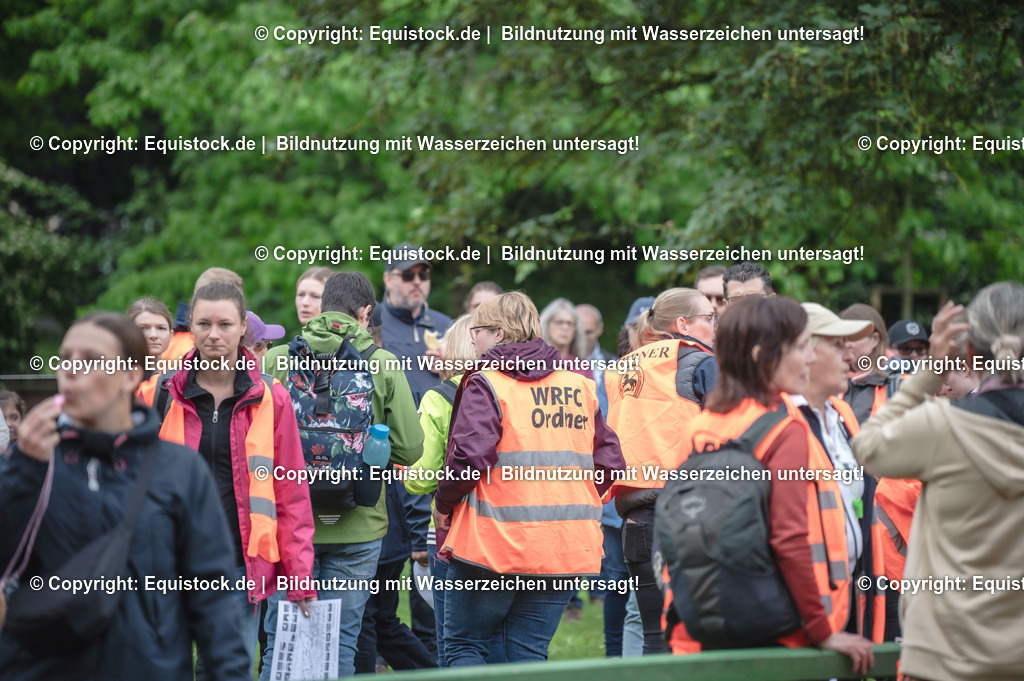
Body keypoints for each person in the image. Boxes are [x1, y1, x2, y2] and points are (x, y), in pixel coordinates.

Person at [0, 312, 250, 680]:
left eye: (90, 361)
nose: (71, 371)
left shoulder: (178, 470)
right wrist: (22, 468)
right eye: (65, 360)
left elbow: (212, 598)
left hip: (147, 667)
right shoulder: (32, 461)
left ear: (131, 376)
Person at [669, 296, 874, 675]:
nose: (810, 359)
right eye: (800, 348)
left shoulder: (702, 425)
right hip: (780, 630)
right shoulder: (785, 429)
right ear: (765, 355)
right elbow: (790, 538)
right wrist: (821, 630)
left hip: (707, 618)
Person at [433, 291, 626, 666]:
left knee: (465, 647)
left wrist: (444, 503)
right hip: (564, 548)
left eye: (479, 330)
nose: (473, 338)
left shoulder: (486, 382)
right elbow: (610, 463)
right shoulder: (579, 385)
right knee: (524, 655)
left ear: (500, 334)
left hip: (493, 547)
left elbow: (469, 457)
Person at [148, 282, 316, 679]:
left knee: (227, 670)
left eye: (225, 323)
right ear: (191, 327)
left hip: (240, 565)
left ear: (243, 327)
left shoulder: (271, 396)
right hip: (171, 561)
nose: (213, 334)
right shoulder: (165, 392)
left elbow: (290, 491)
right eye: (203, 324)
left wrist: (300, 576)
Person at [261, 271, 424, 679]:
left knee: (282, 645)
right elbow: (411, 448)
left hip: (289, 527)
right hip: (358, 527)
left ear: (322, 307)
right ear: (366, 312)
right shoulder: (382, 364)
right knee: (340, 646)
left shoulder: (277, 360)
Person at [855, 289, 1024, 680]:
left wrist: (926, 374)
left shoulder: (943, 427)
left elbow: (866, 446)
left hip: (945, 654)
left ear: (966, 353)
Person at [605, 287, 718, 655]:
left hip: (637, 520)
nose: (716, 325)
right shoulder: (702, 364)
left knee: (654, 635)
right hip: (692, 516)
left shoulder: (623, 367)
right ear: (683, 323)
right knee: (698, 634)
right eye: (709, 318)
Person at [789, 303, 885, 644]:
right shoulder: (778, 420)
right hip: (800, 612)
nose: (850, 357)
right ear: (806, 352)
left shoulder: (841, 413)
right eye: (837, 345)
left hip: (845, 596)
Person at [403, 315, 489, 667]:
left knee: (455, 641)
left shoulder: (439, 398)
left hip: (448, 532)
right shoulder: (509, 390)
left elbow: (418, 479)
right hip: (504, 528)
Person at [380, 244, 454, 406]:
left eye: (423, 275)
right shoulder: (372, 325)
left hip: (443, 425)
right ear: (388, 280)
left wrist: (450, 368)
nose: (417, 282)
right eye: (408, 276)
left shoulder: (448, 326)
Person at [841, 303, 901, 425]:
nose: (847, 344)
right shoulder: (832, 381)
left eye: (853, 337)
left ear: (874, 339)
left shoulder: (900, 382)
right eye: (843, 338)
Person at [126, 297, 173, 372]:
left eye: (161, 328)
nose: (153, 335)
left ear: (171, 335)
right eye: (143, 328)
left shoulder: (179, 378)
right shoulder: (117, 377)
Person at [539, 297, 588, 364]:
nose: (565, 327)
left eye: (570, 323)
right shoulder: (533, 363)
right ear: (547, 325)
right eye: (559, 322)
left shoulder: (582, 366)